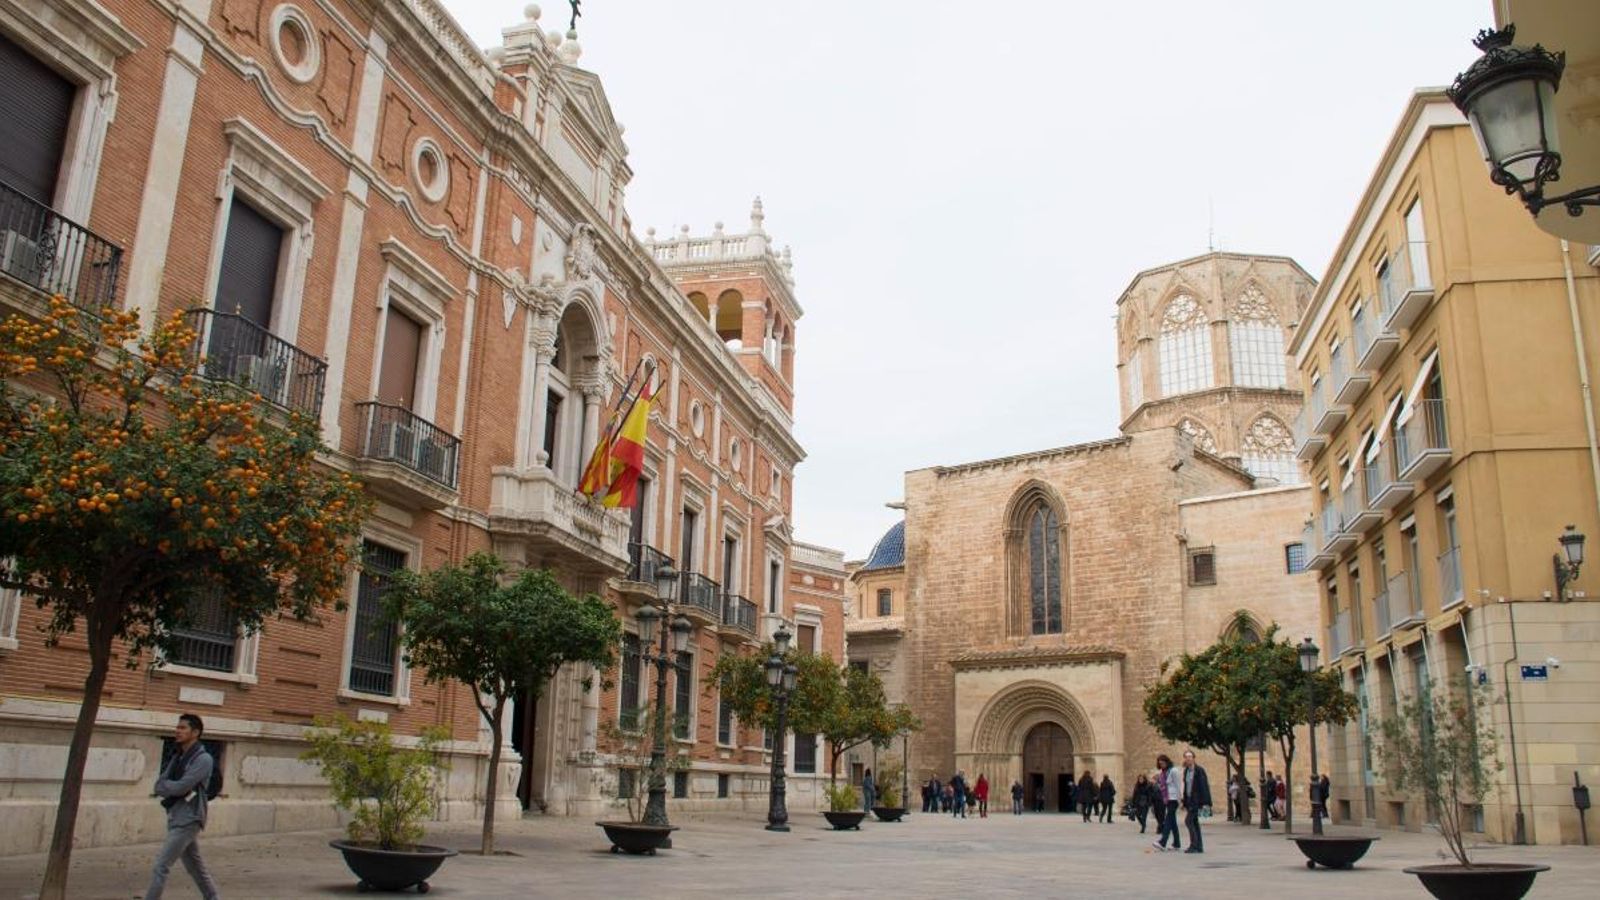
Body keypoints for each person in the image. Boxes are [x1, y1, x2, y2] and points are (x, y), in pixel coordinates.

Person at [146, 713, 220, 900]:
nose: (177, 731)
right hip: (176, 815)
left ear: (195, 732)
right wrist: (170, 787)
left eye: (182, 728)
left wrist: (168, 787)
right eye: (177, 728)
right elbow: (158, 785)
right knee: (195, 867)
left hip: (190, 818)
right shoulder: (178, 756)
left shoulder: (203, 759)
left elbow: (181, 787)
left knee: (161, 866)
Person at [1180, 749, 1212, 854]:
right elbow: (1185, 787)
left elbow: (1204, 786)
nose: (1188, 759)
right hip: (1189, 800)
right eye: (1186, 757)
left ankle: (1194, 845)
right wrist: (1184, 801)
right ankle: (1199, 846)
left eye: (1190, 757)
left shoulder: (1199, 770)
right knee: (1194, 822)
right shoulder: (1186, 771)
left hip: (1196, 800)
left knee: (1188, 821)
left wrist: (1205, 802)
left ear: (1193, 758)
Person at [1153, 755, 1181, 851]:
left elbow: (1178, 785)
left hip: (1173, 798)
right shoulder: (1163, 773)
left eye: (1163, 763)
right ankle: (1177, 843)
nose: (1162, 765)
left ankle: (1163, 841)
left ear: (1167, 762)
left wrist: (1179, 798)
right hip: (1167, 799)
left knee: (1168, 820)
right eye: (1160, 764)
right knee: (1172, 821)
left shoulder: (1173, 771)